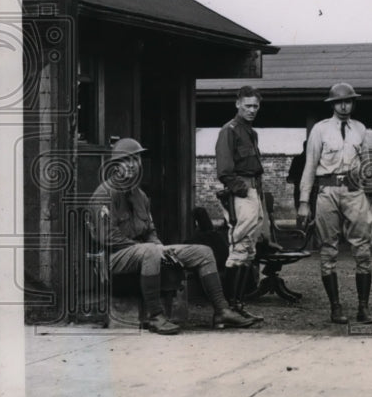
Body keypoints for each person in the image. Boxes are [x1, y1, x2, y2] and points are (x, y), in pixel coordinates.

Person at [89, 138, 256, 334]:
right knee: (150, 251)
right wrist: (148, 248)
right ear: (115, 166)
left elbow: (150, 230)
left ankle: (222, 310)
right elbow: (106, 237)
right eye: (127, 160)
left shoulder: (140, 196)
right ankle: (155, 316)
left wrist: (158, 246)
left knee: (203, 252)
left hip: (143, 252)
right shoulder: (105, 193)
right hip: (114, 257)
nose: (133, 165)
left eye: (137, 159)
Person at [298, 82, 372, 324]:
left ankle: (363, 308)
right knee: (328, 248)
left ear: (353, 103)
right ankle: (336, 307)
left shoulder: (360, 129)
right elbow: (310, 165)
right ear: (332, 104)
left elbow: (366, 164)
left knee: (363, 248)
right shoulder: (320, 130)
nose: (345, 105)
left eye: (349, 101)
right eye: (340, 102)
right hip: (327, 191)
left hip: (353, 191)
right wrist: (304, 201)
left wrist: (369, 195)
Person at [215, 85, 268, 322]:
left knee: (249, 249)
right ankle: (226, 311)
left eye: (256, 106)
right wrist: (244, 191)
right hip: (241, 193)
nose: (252, 110)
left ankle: (239, 306)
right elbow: (225, 171)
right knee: (238, 248)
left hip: (254, 190)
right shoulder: (230, 130)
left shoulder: (250, 132)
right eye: (247, 105)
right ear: (237, 104)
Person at [286, 141, 307, 213]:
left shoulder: (297, 159)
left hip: (299, 190)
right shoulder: (314, 160)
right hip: (311, 191)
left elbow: (290, 177)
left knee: (300, 212)